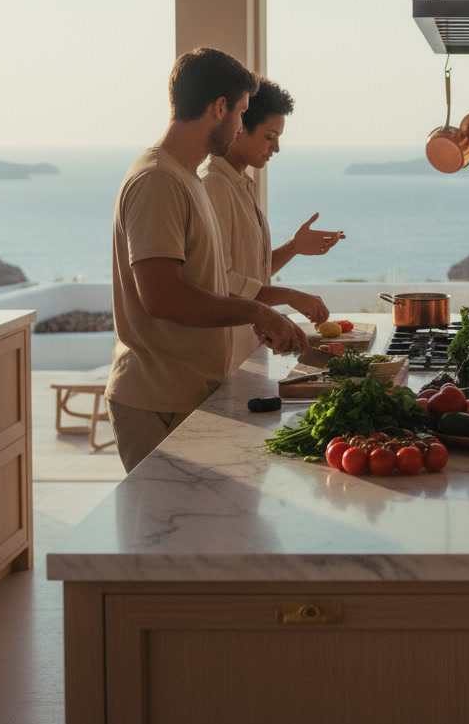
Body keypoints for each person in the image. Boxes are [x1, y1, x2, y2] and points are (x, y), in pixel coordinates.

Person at [106, 47, 308, 473]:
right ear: (219, 108)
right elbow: (162, 297)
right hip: (158, 401)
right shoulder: (157, 180)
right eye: (241, 112)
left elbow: (207, 283)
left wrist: (260, 314)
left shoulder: (186, 178)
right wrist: (257, 311)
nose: (239, 126)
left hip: (188, 394)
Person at [200, 77, 344, 368]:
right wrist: (290, 296)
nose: (276, 148)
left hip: (247, 351)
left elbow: (250, 275)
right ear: (240, 127)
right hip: (223, 357)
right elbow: (222, 281)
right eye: (270, 136)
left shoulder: (240, 183)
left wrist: (293, 247)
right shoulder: (214, 184)